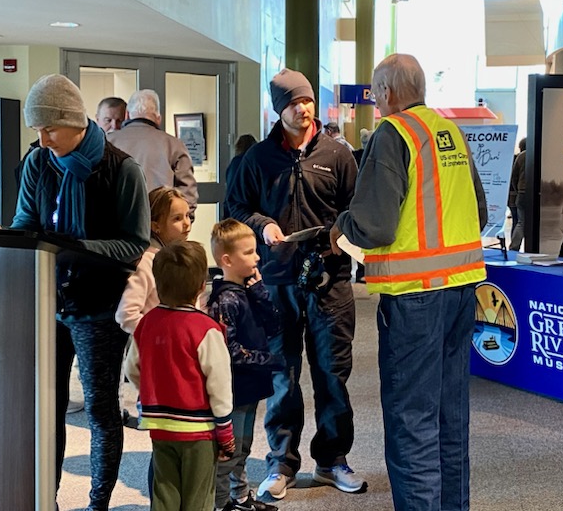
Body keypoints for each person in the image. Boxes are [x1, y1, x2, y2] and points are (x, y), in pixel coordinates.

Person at [0, 74, 150, 510]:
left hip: (99, 308)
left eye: (49, 128)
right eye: (37, 129)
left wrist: (74, 247)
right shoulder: (38, 162)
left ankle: (96, 505)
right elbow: (26, 226)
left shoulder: (121, 169)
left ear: (74, 122)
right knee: (47, 410)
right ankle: (45, 500)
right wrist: (6, 240)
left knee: (100, 413)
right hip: (47, 305)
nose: (42, 138)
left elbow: (134, 244)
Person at [330, 53, 487, 511]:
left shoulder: (393, 133)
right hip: (462, 289)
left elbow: (374, 225)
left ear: (389, 93)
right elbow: (478, 212)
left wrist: (342, 225)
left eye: (377, 93)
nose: (377, 102)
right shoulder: (448, 131)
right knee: (449, 416)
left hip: (415, 296)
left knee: (411, 420)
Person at [226, 68, 363, 500]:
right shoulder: (258, 159)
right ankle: (281, 463)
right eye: (293, 103)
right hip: (276, 281)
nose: (303, 109)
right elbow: (236, 207)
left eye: (306, 102)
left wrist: (340, 239)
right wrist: (263, 225)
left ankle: (332, 461)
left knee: (332, 374)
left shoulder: (339, 156)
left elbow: (356, 211)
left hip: (331, 282)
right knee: (283, 377)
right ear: (277, 109)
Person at [124, 240, 236, 511]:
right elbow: (219, 385)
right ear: (201, 286)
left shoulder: (146, 324)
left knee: (164, 492)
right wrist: (226, 433)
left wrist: (153, 394)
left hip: (160, 426)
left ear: (158, 284)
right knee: (198, 497)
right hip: (199, 431)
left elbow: (132, 369)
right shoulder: (206, 329)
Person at [208, 219, 284, 511]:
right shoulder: (225, 300)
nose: (257, 258)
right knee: (229, 453)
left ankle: (239, 498)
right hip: (234, 390)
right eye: (249, 253)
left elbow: (274, 325)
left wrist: (261, 291)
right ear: (227, 260)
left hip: (251, 387)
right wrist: (269, 361)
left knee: (243, 449)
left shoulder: (248, 291)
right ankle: (220, 504)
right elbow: (229, 351)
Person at [108, 89, 199, 218]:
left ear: (127, 115)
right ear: (158, 118)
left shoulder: (108, 142)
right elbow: (187, 192)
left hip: (116, 222)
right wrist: (182, 220)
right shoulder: (174, 145)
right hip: (160, 223)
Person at [115, 187, 192, 334]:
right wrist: (158, 336)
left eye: (187, 215)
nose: (187, 223)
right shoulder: (147, 262)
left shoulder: (180, 257)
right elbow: (126, 314)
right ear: (155, 226)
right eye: (177, 218)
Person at [223, 134, 258, 218]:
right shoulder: (256, 163)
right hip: (253, 210)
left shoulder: (235, 163)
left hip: (236, 208)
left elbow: (230, 188)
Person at [508, 137, 527, 252]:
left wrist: (518, 189)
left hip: (520, 193)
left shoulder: (520, 157)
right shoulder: (539, 153)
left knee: (520, 222)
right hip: (532, 194)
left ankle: (514, 248)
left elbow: (514, 176)